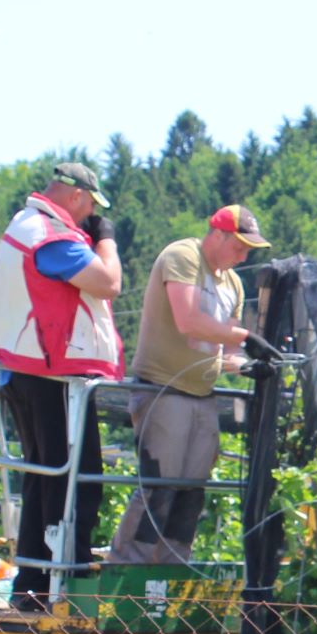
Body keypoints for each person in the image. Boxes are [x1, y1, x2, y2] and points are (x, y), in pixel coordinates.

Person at [0, 161, 125, 611]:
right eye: (89, 207)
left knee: (45, 480)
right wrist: (106, 239)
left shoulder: (26, 227)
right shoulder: (51, 234)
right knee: (76, 481)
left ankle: (33, 586)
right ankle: (68, 582)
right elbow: (108, 283)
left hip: (30, 370)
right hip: (51, 375)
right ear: (76, 196)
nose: (88, 217)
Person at [110, 204, 278, 565]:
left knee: (190, 493)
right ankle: (126, 571)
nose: (243, 255)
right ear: (217, 234)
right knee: (160, 486)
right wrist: (248, 336)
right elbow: (189, 321)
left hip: (202, 396)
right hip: (162, 390)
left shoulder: (232, 284)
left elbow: (226, 352)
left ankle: (172, 571)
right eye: (239, 246)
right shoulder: (182, 256)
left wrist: (250, 366)